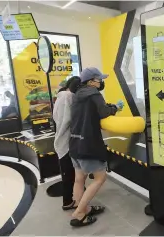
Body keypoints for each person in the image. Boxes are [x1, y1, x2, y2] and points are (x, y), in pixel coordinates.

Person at [69, 67, 124, 227]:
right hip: (88, 144)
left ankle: (84, 208)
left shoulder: (77, 95)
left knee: (79, 179)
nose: (101, 82)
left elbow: (92, 112)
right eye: (100, 79)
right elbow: (103, 112)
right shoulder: (94, 94)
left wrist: (109, 107)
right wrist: (116, 108)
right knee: (100, 178)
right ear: (92, 81)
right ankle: (79, 213)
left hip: (74, 143)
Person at [53, 76, 81, 211]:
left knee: (69, 173)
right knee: (69, 173)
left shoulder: (60, 96)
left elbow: (56, 117)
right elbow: (68, 119)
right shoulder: (69, 97)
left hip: (61, 138)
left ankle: (72, 197)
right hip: (65, 140)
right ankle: (68, 201)